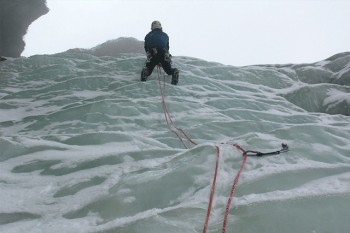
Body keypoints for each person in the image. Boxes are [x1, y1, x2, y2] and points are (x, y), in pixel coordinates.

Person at [141, 20, 179, 85]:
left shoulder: (148, 35)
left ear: (152, 28)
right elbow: (167, 47)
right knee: (169, 71)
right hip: (163, 52)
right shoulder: (165, 35)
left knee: (149, 70)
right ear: (160, 27)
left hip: (153, 51)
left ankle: (145, 73)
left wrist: (150, 56)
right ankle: (174, 72)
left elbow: (146, 48)